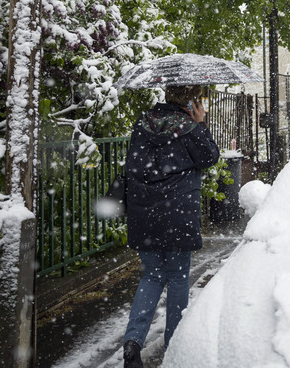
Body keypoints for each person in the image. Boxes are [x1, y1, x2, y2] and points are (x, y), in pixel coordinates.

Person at [121, 85, 220, 368]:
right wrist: (201, 124)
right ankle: (174, 342)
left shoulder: (143, 124)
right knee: (177, 277)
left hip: (145, 214)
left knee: (151, 276)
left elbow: (136, 165)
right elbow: (209, 157)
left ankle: (133, 341)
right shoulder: (189, 127)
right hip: (177, 215)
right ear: (190, 100)